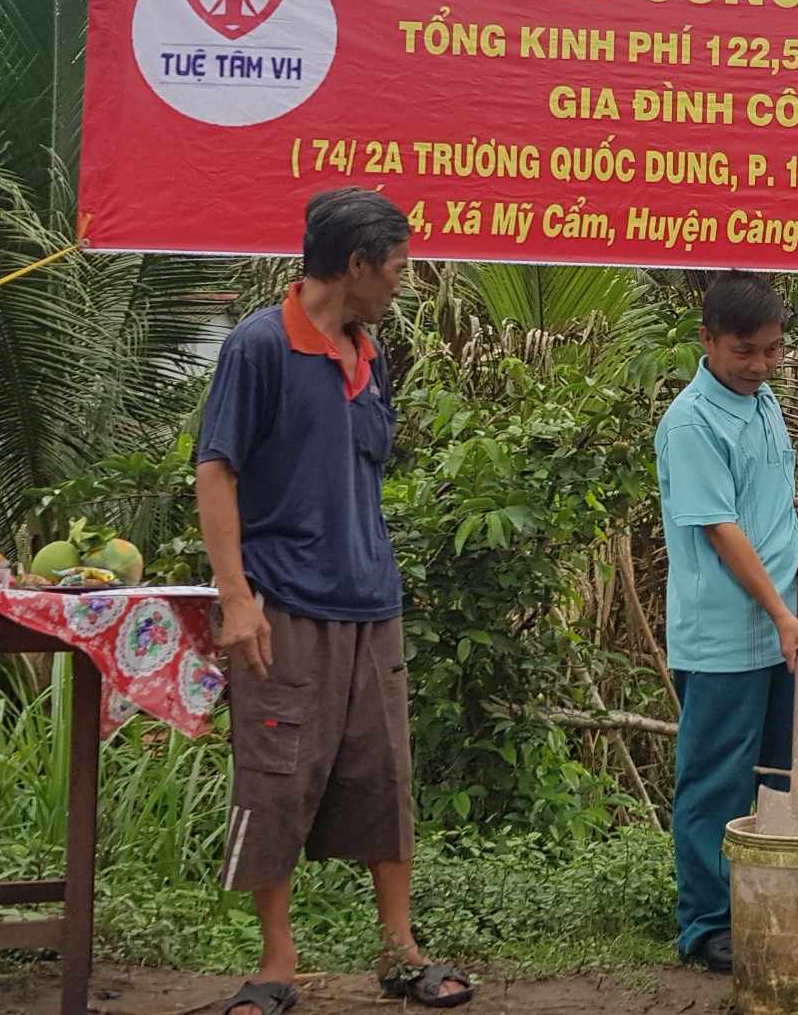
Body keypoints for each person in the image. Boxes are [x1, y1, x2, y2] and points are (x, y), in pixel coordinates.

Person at [193, 187, 473, 1013]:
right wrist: (236, 598)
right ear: (355, 265)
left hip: (370, 602)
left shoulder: (369, 351)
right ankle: (276, 963)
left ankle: (399, 949)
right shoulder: (258, 345)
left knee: (384, 778)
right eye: (397, 269)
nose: (403, 284)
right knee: (276, 779)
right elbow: (216, 470)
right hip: (283, 605)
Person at [656, 271, 798, 974]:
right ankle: (708, 923)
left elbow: (752, 498)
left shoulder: (763, 404)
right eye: (744, 351)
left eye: (771, 350)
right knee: (716, 781)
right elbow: (722, 531)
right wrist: (782, 614)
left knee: (794, 772)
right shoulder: (690, 423)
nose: (760, 365)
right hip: (728, 635)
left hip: (788, 625)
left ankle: (783, 900)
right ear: (707, 340)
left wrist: (796, 508)